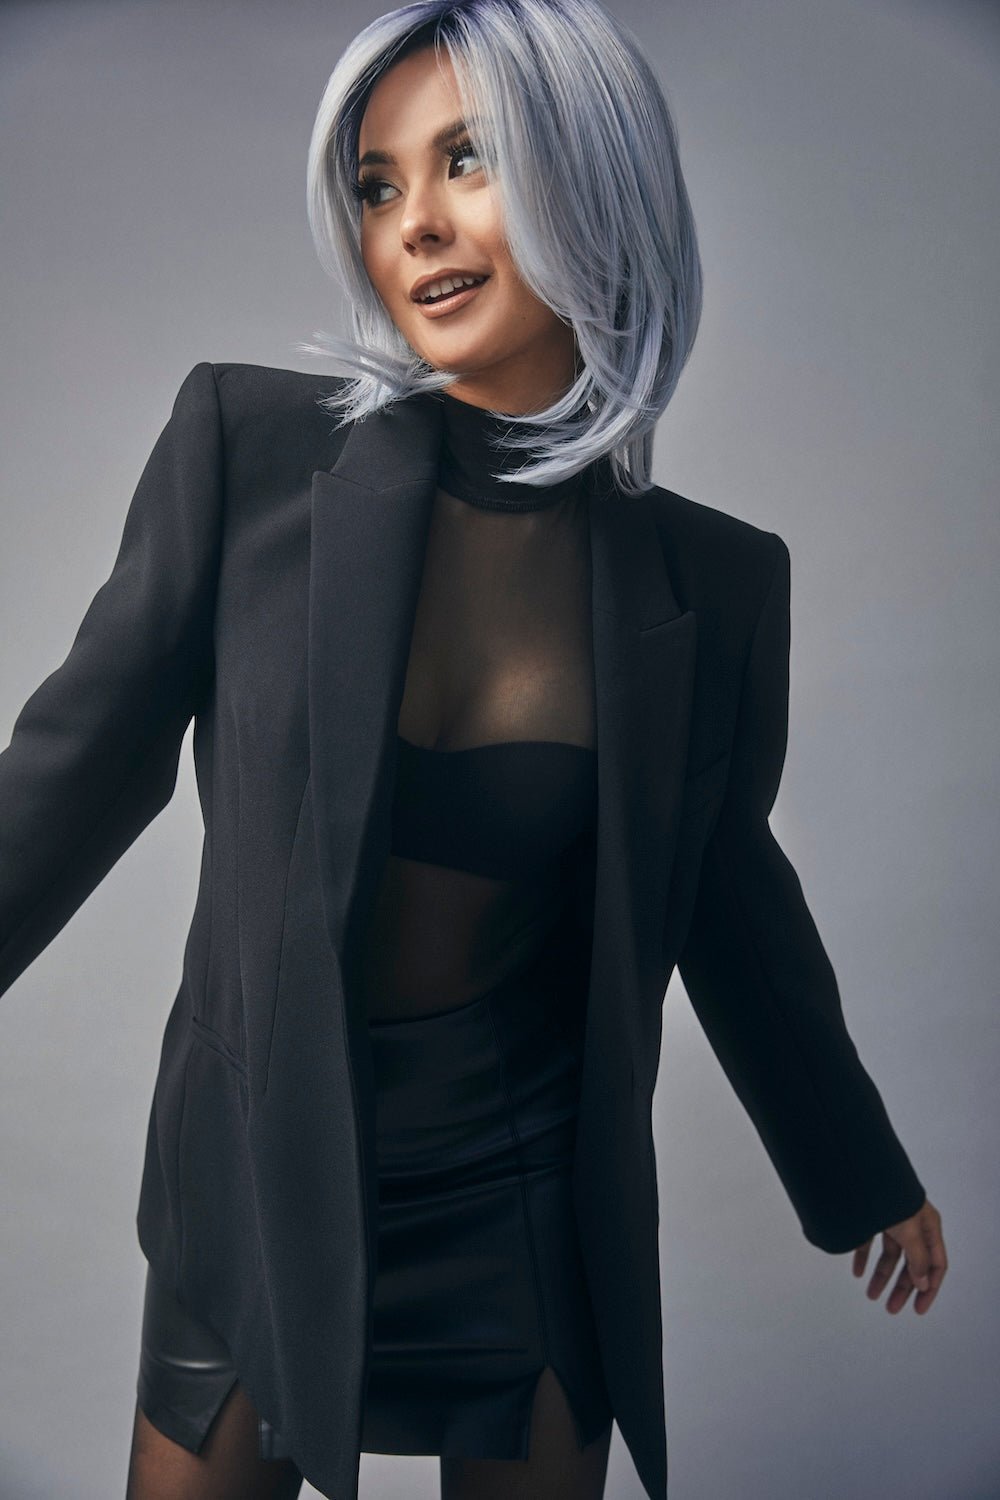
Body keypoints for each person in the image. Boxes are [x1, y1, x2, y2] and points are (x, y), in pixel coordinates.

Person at [0, 2, 947, 1499]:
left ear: (596, 182)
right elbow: (71, 770)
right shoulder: (250, 452)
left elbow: (728, 898)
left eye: (468, 160)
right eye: (377, 185)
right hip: (260, 1168)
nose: (416, 225)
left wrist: (857, 1171)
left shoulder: (714, 583)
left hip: (523, 1190)